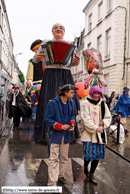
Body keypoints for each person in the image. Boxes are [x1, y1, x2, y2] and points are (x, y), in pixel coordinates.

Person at [33, 23, 80, 143]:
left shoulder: (70, 45)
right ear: (52, 31)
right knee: (47, 101)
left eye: (61, 28)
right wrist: (37, 56)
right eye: (55, 28)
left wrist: (76, 62)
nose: (58, 29)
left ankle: (69, 135)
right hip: (50, 74)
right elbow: (35, 60)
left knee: (69, 101)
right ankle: (45, 135)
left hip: (65, 74)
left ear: (64, 32)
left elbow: (71, 63)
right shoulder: (45, 42)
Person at [45, 84, 78, 186]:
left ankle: (60, 175)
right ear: (65, 92)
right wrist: (59, 126)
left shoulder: (71, 102)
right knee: (53, 159)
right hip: (55, 135)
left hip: (66, 135)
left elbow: (73, 114)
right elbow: (47, 118)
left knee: (64, 158)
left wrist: (72, 122)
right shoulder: (52, 103)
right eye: (72, 92)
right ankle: (52, 183)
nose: (74, 94)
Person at [80, 86, 111, 185]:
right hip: (89, 134)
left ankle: (91, 174)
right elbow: (85, 119)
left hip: (100, 135)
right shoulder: (85, 103)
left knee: (97, 156)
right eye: (95, 93)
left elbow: (108, 117)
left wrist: (104, 123)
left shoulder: (103, 104)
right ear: (91, 93)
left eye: (99, 94)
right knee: (88, 155)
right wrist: (95, 128)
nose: (97, 95)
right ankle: (85, 165)